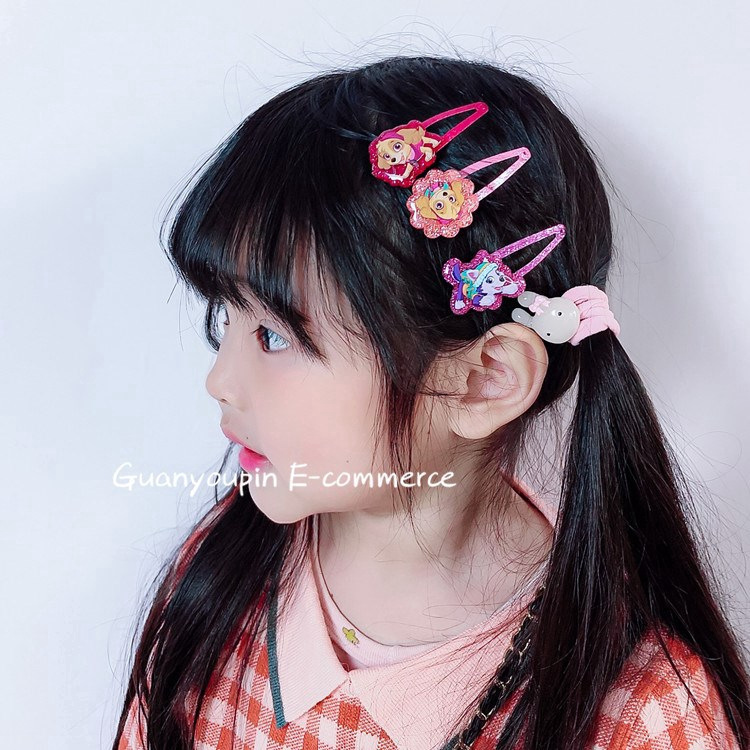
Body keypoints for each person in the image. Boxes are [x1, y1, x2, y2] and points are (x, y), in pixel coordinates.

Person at [112, 55, 749, 749]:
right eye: (223, 319)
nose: (219, 381)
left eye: (273, 336)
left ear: (484, 381)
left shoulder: (640, 713)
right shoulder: (222, 575)